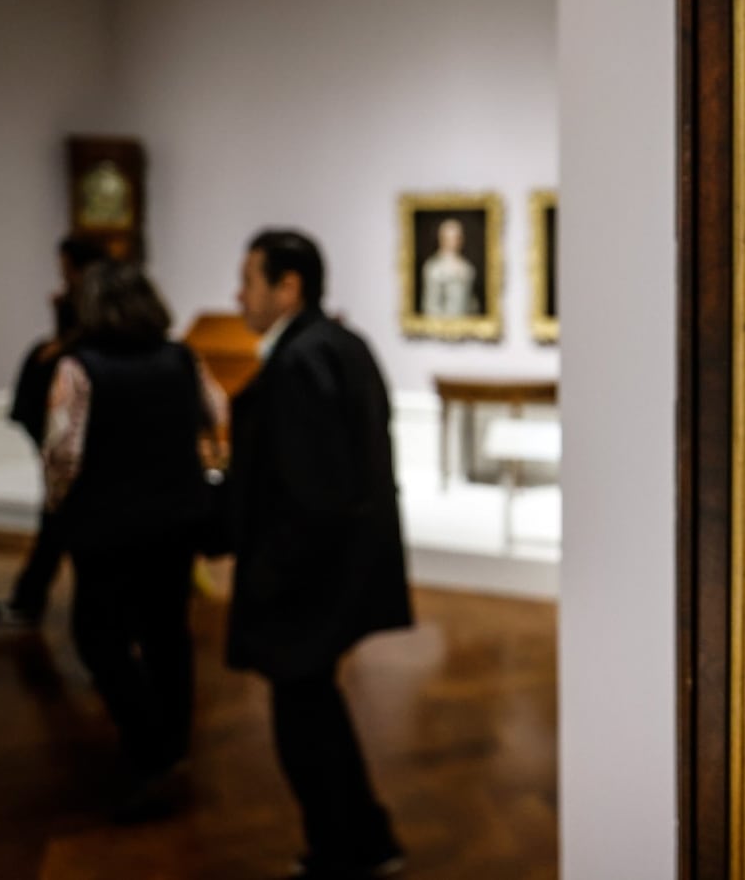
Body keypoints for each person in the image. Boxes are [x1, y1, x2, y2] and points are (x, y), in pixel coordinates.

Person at [225, 228, 412, 878]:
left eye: (249, 279)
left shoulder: (300, 360)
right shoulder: (338, 343)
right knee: (317, 715)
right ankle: (365, 842)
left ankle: (343, 853)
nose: (238, 294)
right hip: (335, 577)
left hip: (306, 586)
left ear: (288, 285)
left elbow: (311, 494)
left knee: (305, 725)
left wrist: (271, 580)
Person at [43, 261, 226, 817]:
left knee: (98, 635)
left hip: (107, 524)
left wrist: (59, 504)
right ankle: (173, 745)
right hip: (176, 518)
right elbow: (215, 411)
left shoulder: (80, 368)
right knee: (167, 631)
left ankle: (149, 744)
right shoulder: (181, 357)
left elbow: (62, 452)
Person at [0, 234, 107, 628]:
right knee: (59, 524)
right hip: (70, 440)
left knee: (64, 524)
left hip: (81, 440)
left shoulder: (92, 312)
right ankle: (35, 603)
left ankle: (44, 607)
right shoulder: (78, 306)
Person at [420, 218, 477, 316]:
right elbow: (431, 305)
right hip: (443, 326)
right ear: (442, 239)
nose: (455, 241)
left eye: (458, 237)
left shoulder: (467, 267)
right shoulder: (433, 267)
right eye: (450, 238)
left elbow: (471, 300)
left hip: (466, 324)